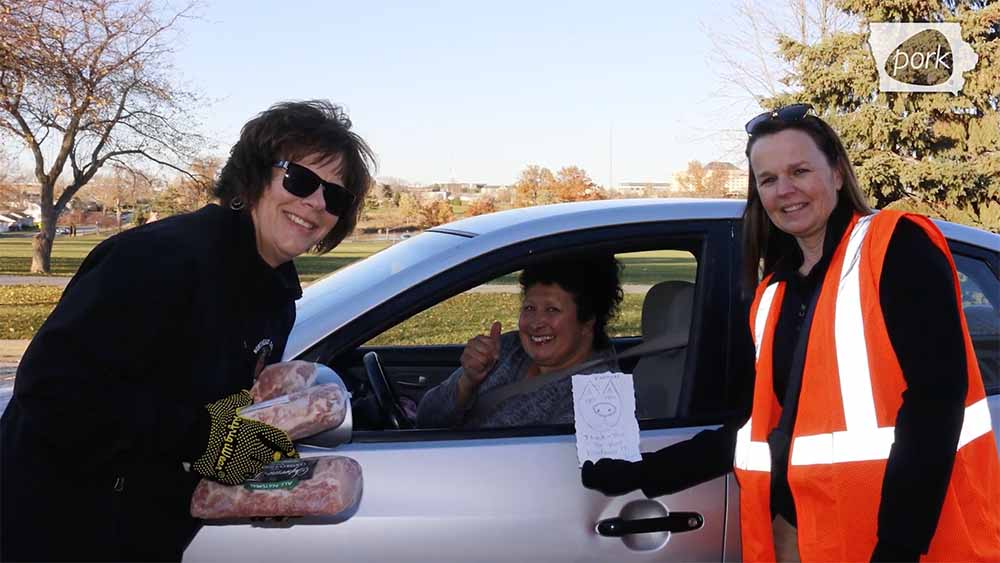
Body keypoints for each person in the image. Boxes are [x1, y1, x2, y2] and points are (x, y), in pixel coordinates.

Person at [581, 104, 1000, 562]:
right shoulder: (773, 295)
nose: (785, 191)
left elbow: (935, 402)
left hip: (888, 539)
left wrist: (897, 547)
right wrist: (641, 473)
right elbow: (758, 431)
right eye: (768, 179)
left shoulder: (893, 246)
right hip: (803, 537)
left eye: (800, 170)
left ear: (838, 173)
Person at [0, 100, 376, 562]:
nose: (317, 203)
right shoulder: (159, 260)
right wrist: (203, 438)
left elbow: (206, 408)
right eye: (301, 180)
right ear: (254, 176)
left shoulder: (274, 296)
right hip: (57, 528)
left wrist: (257, 471)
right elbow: (53, 391)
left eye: (336, 197)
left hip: (148, 533)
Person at [417, 255, 623, 428]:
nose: (535, 323)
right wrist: (467, 382)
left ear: (587, 321)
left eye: (552, 310)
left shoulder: (599, 394)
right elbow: (426, 419)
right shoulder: (506, 349)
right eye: (530, 308)